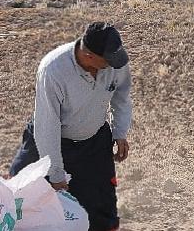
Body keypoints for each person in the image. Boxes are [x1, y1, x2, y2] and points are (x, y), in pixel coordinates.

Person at [9, 22, 133, 231]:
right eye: (108, 61)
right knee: (21, 198)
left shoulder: (115, 62)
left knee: (100, 208)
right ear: (89, 56)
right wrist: (56, 174)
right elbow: (47, 126)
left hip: (93, 140)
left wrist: (120, 132)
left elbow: (122, 95)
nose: (114, 66)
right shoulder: (54, 69)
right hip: (48, 137)